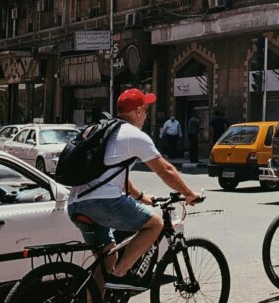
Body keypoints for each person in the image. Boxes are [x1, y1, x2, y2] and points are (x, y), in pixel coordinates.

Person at [66, 89, 200, 294]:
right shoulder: (134, 135)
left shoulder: (106, 131)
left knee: (108, 258)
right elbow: (165, 170)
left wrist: (140, 197)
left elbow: (117, 177)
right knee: (155, 224)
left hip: (76, 203)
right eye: (146, 110)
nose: (147, 115)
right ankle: (121, 276)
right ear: (138, 111)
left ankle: (102, 288)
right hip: (102, 203)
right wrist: (189, 194)